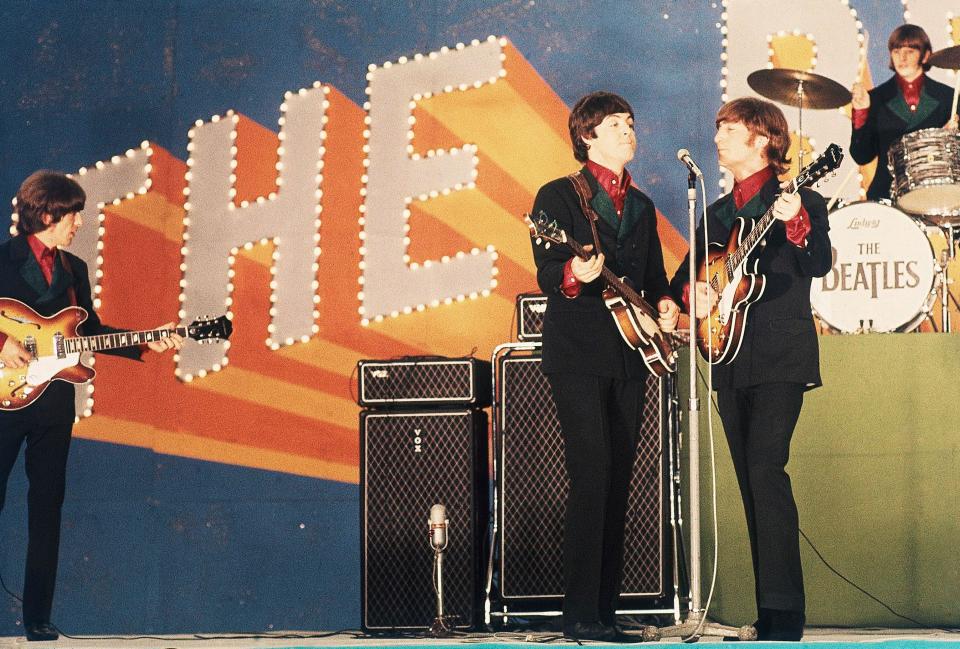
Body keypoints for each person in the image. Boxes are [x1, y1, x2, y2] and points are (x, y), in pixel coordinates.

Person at [670, 97, 831, 641]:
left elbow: (819, 264)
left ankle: (786, 615)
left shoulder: (800, 198)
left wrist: (798, 224)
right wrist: (695, 296)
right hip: (729, 357)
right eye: (717, 128)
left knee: (766, 470)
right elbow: (684, 283)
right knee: (748, 482)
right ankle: (771, 613)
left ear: (764, 139)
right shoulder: (714, 215)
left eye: (729, 128)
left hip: (782, 355)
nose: (718, 137)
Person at [0, 170, 183, 641]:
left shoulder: (74, 269)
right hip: (3, 401)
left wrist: (146, 343)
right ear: (46, 213)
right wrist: (2, 341)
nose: (79, 222)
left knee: (47, 509)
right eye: (72, 213)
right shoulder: (2, 259)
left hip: (55, 402)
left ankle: (38, 617)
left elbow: (89, 331)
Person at [530, 91, 680, 642]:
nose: (628, 129)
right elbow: (549, 270)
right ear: (587, 135)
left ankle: (606, 613)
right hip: (578, 353)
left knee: (617, 480)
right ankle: (579, 616)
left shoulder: (640, 205)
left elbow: (656, 280)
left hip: (632, 354)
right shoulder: (558, 197)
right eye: (616, 123)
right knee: (591, 473)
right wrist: (574, 272)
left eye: (631, 121)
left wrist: (665, 304)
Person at [850, 23, 958, 201]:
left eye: (910, 51)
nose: (902, 58)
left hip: (936, 195)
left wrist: (953, 138)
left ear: (925, 56)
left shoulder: (949, 98)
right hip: (886, 196)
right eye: (896, 51)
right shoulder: (874, 98)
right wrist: (861, 112)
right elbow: (861, 156)